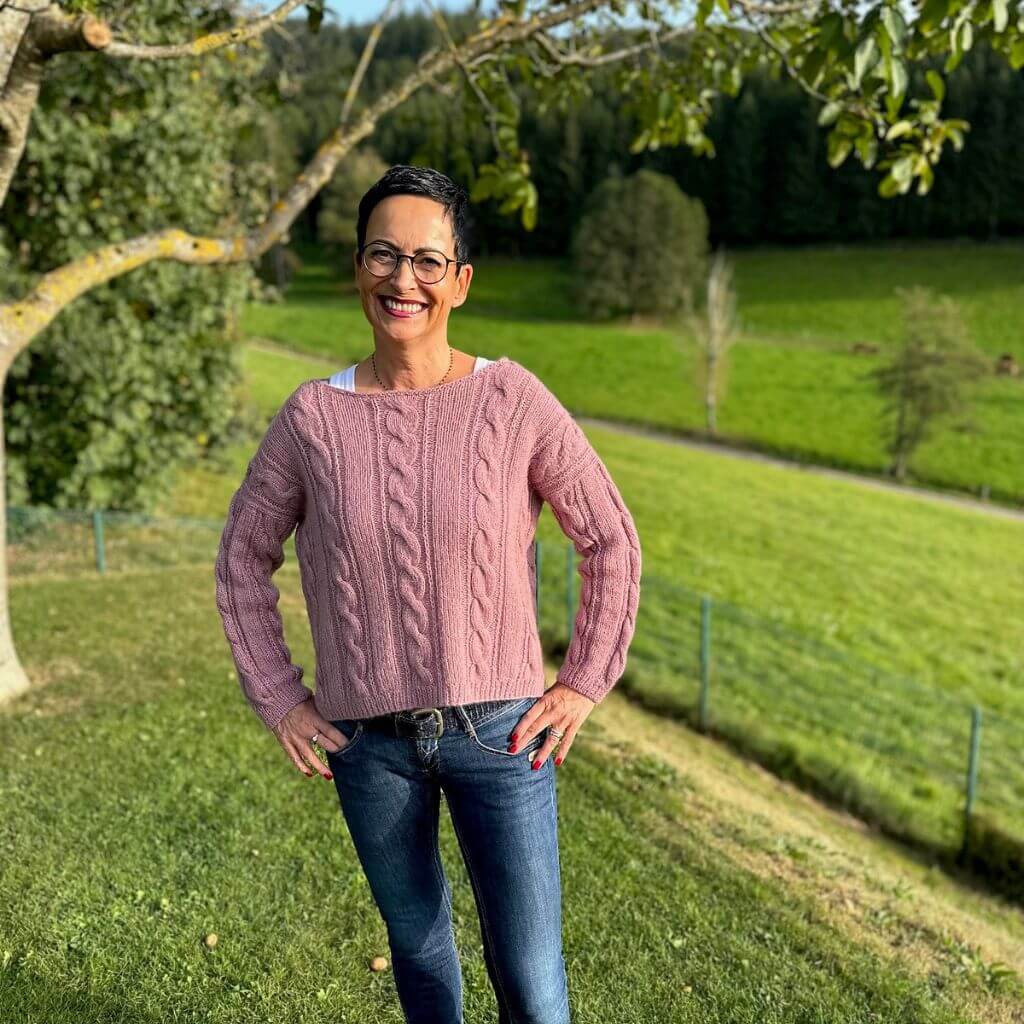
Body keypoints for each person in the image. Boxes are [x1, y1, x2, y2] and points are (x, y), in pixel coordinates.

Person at [214, 164, 642, 1024]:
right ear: (357, 269)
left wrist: (583, 682)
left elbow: (611, 540)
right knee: (417, 953)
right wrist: (279, 697)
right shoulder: (311, 420)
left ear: (461, 280)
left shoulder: (512, 399)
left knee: (532, 978)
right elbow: (240, 560)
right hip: (368, 748)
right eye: (383, 254)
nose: (402, 279)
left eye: (426, 260)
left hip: (505, 735)